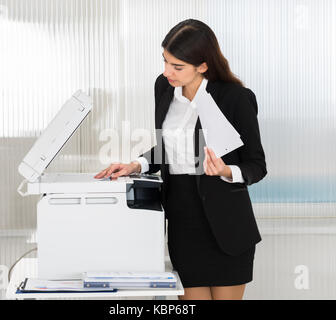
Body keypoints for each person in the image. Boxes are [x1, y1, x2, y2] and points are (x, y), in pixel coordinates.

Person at [94, 19, 266, 300]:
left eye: (177, 66)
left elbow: (257, 165)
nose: (167, 72)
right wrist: (137, 164)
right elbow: (168, 148)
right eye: (165, 61)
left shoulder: (235, 98)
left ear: (203, 65)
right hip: (183, 221)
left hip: (227, 225)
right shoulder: (164, 88)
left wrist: (226, 170)